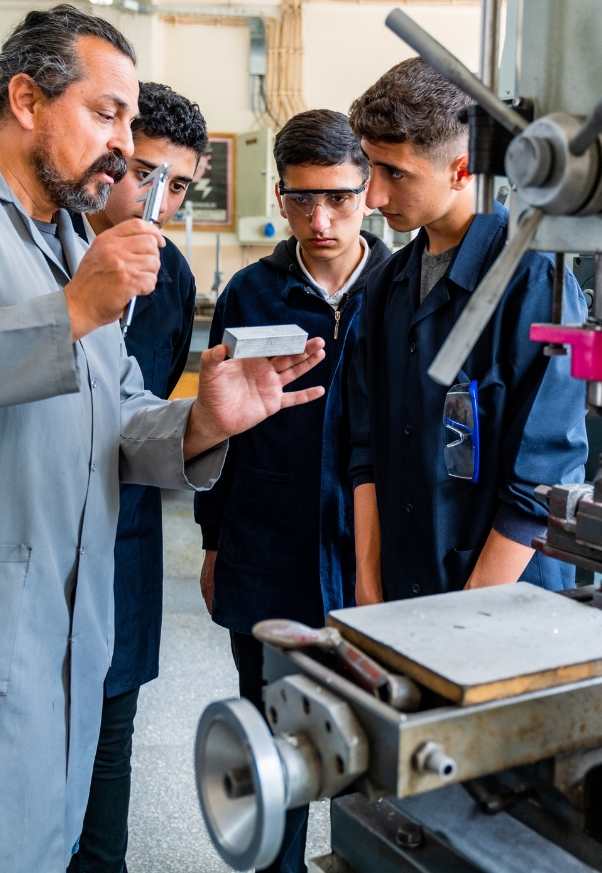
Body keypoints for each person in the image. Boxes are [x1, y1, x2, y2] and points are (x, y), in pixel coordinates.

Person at [0, 5, 326, 873]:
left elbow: (119, 416)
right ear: (24, 99)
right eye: (107, 114)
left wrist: (206, 417)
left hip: (63, 641)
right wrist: (74, 311)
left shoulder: (63, 238)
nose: (125, 146)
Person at [195, 108, 390, 873]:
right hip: (266, 551)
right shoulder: (252, 292)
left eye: (339, 198)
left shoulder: (401, 290)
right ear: (280, 196)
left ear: (368, 191)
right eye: (303, 199)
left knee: (370, 759)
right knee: (278, 751)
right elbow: (223, 432)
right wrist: (214, 543)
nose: (321, 219)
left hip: (370, 562)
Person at [347, 57, 588, 606]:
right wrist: (367, 581)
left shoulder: (534, 285)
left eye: (396, 174)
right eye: (370, 167)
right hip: (401, 590)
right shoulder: (387, 286)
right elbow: (365, 447)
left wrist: (467, 610)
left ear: (461, 170)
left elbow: (542, 482)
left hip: (506, 603)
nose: (373, 198)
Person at [67, 82, 206, 873]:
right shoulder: (43, 251)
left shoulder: (173, 279)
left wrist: (204, 425)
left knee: (111, 745)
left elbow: (140, 423)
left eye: (179, 186)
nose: (158, 200)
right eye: (144, 172)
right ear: (109, 155)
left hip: (122, 546)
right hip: (37, 545)